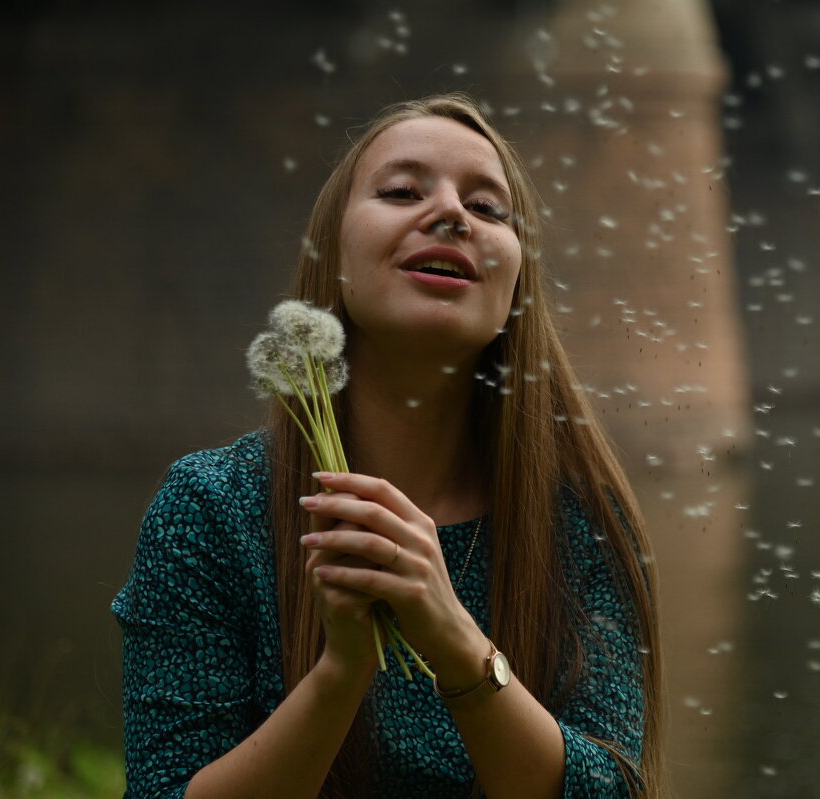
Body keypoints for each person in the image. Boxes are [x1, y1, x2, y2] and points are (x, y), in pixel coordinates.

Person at [112, 93, 662, 799]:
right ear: (331, 252)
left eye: (488, 208)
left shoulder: (583, 520)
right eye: (402, 191)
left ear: (516, 285)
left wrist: (454, 637)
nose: (450, 213)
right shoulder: (212, 508)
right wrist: (341, 670)